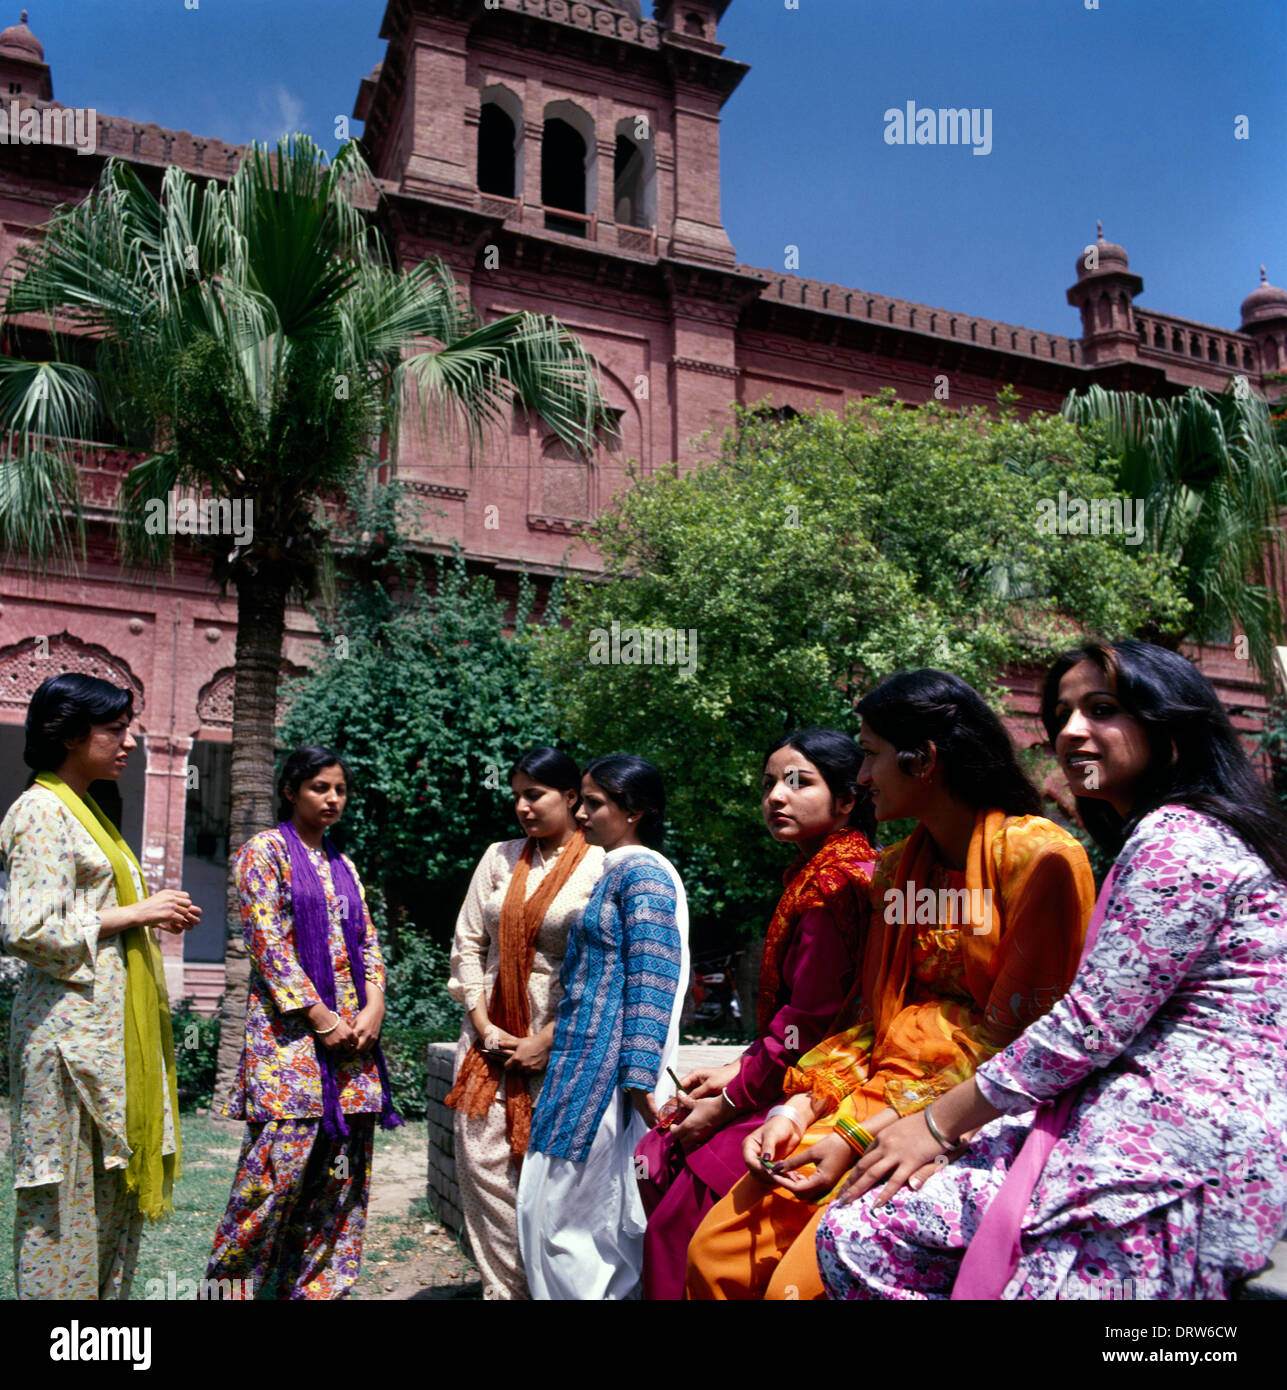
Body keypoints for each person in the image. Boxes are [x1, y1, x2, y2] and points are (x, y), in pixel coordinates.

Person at [818, 641, 1287, 1300]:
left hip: (1172, 1148)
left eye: (1101, 710)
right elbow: (864, 1015)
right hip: (1085, 1113)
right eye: (1060, 713)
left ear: (1170, 730)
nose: (1069, 732)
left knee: (867, 1227)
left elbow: (1077, 1028)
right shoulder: (896, 867)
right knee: (859, 1225)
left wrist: (927, 1126)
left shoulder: (1150, 845)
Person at [686, 669, 1096, 1300]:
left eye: (872, 754)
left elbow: (1018, 1046)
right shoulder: (898, 870)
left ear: (923, 760)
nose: (865, 777)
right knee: (718, 1253)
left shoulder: (1038, 861)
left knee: (794, 1287)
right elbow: (877, 1023)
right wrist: (800, 1105)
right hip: (868, 1102)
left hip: (967, 1120)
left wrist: (859, 1134)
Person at [635, 726, 878, 1300]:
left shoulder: (832, 886)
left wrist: (728, 1102)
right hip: (800, 1072)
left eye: (799, 782)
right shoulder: (822, 870)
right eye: (770, 783)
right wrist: (734, 1073)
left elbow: (808, 1024)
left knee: (675, 1201)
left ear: (846, 800)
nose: (776, 796)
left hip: (833, 1084)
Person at [1, 673, 198, 1299]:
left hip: (103, 1042)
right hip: (65, 1047)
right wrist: (138, 913)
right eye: (116, 729)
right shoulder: (40, 811)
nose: (131, 742)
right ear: (69, 733)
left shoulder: (88, 812)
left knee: (108, 1201)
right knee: (60, 1201)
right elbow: (29, 929)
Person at [206, 746, 400, 1299]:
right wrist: (320, 1018)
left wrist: (374, 1006)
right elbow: (266, 944)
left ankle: (318, 1293)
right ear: (291, 791)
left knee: (340, 1189)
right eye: (320, 787)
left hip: (353, 1051)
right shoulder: (263, 854)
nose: (333, 798)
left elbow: (366, 940)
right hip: (290, 1046)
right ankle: (229, 1293)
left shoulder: (344, 865)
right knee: (268, 1187)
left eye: (340, 789)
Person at [518, 755, 689, 1299]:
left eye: (594, 803)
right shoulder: (614, 871)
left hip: (607, 1086)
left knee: (583, 1228)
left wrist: (639, 1082)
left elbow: (654, 975)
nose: (582, 814)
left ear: (634, 811)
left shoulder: (644, 873)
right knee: (549, 1214)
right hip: (578, 1072)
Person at [446, 747, 605, 1299]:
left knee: (550, 1180)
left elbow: (611, 967)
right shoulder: (500, 856)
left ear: (571, 798)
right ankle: (505, 1290)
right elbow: (468, 944)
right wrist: (483, 1024)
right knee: (483, 1166)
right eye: (516, 794)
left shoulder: (602, 862)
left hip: (563, 1038)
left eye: (534, 794)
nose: (522, 806)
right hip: (488, 1037)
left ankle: (550, 1289)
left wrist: (547, 1038)